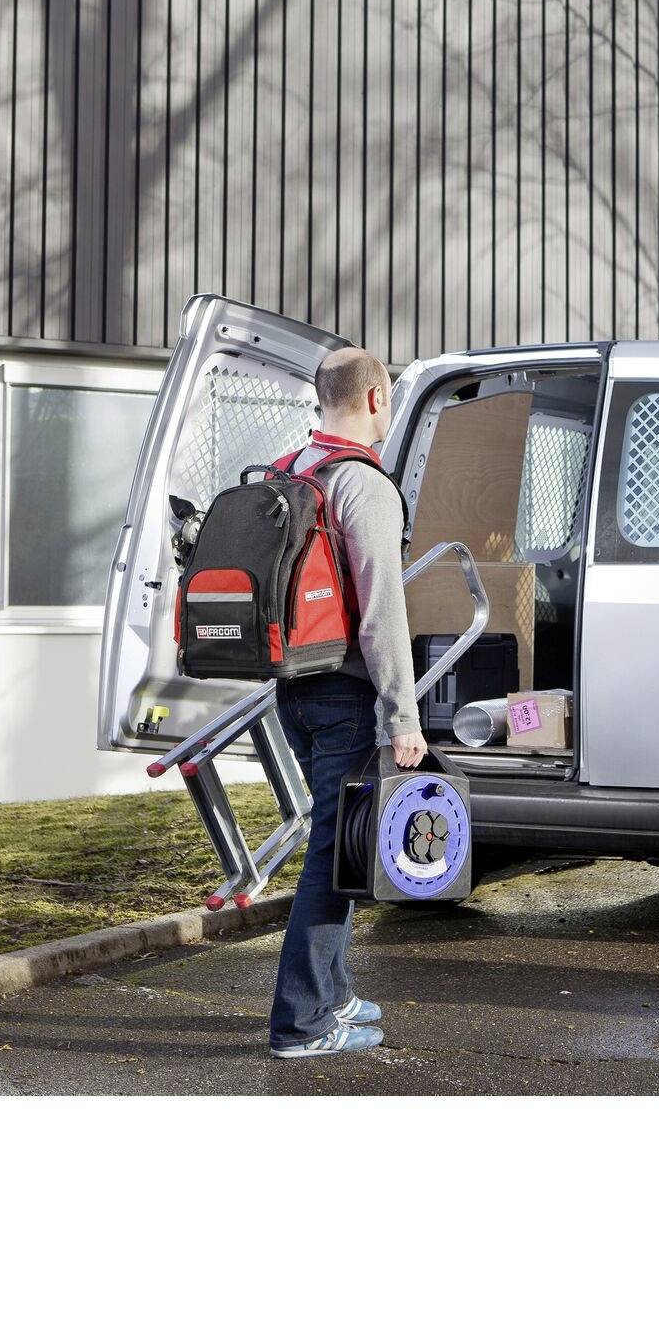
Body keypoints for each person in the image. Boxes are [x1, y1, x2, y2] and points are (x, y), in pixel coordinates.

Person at [267, 345, 424, 1059]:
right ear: (374, 399)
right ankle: (300, 1024)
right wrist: (403, 716)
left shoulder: (289, 471)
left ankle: (334, 995)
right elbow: (382, 613)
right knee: (333, 856)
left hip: (291, 687)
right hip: (343, 692)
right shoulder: (364, 484)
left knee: (333, 845)